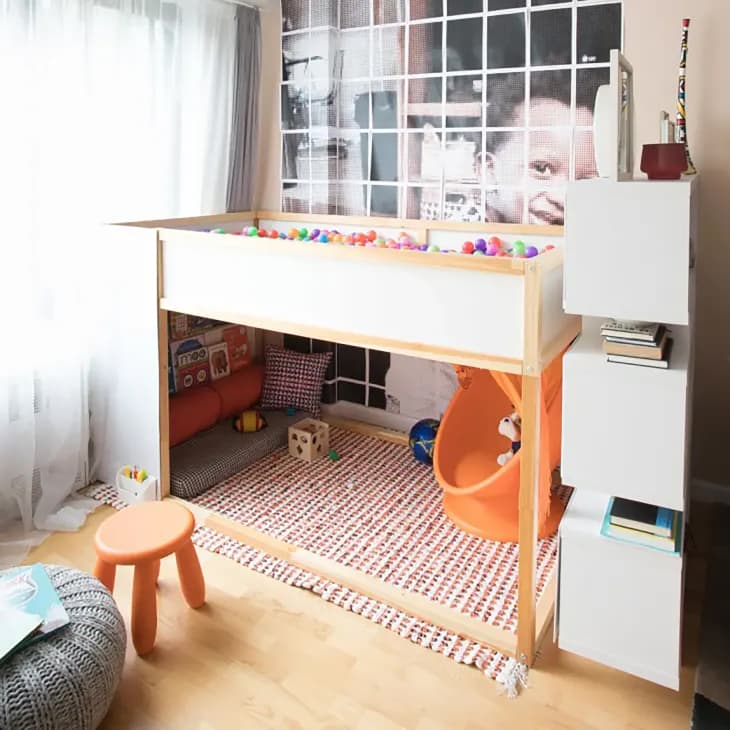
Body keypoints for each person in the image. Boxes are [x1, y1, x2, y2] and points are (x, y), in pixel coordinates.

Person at [481, 69, 605, 226]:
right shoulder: (459, 236)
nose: (562, 198)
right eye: (541, 169)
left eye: (586, 180)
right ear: (488, 170)